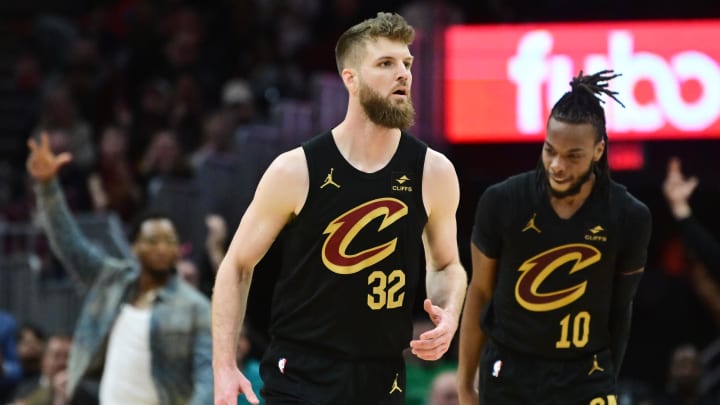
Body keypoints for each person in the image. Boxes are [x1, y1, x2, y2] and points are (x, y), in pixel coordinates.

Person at [212, 12, 467, 405]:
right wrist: (223, 366)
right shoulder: (295, 169)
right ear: (350, 79)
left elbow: (446, 265)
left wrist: (449, 313)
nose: (403, 74)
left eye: (407, 64)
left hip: (382, 376)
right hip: (300, 375)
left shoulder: (434, 171)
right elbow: (237, 266)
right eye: (386, 64)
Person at [457, 70, 652, 405]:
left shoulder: (629, 216)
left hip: (585, 373)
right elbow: (480, 291)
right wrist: (465, 385)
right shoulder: (503, 201)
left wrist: (609, 379)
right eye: (550, 150)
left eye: (573, 155)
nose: (557, 165)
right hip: (511, 370)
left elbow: (621, 309)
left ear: (598, 150)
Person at [26, 132, 213, 404]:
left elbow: (207, 376)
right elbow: (70, 245)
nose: (162, 248)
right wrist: (47, 187)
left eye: (169, 241)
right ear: (135, 247)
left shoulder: (195, 306)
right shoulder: (112, 279)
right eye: (153, 240)